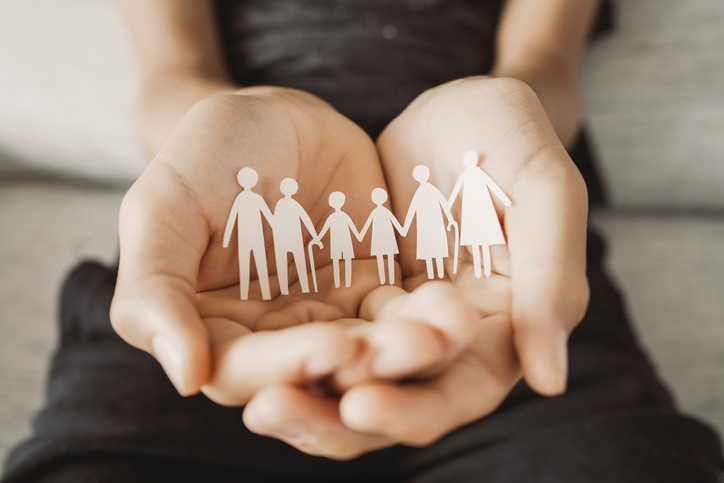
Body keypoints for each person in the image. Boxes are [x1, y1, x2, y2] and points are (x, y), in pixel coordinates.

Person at [3, 1, 723, 482]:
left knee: (623, 462)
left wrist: (512, 112)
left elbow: (544, 68)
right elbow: (173, 76)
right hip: (217, 271)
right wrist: (220, 131)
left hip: (498, 269)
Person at [447, 150, 512, 278]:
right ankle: (478, 269)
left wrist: (505, 199)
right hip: (470, 210)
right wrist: (447, 206)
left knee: (485, 240)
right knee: (475, 240)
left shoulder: (479, 173)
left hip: (483, 208)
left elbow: (492, 185)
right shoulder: (464, 175)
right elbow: (455, 191)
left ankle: (487, 269)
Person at [223, 167, 274, 300]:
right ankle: (247, 295)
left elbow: (268, 215)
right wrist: (226, 239)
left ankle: (262, 294)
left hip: (253, 237)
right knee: (249, 265)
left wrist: (226, 239)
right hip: (246, 237)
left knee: (254, 264)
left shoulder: (250, 198)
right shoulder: (249, 198)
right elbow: (232, 217)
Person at [403, 165, 458, 280]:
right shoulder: (419, 192)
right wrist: (405, 227)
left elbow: (443, 203)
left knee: (437, 248)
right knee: (428, 249)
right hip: (424, 224)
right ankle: (432, 275)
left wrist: (451, 219)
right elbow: (412, 209)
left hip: (435, 222)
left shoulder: (431, 189)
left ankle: (441, 273)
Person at [272, 178, 319, 295]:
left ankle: (302, 288)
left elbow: (305, 220)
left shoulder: (286, 204)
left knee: (295, 262)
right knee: (291, 263)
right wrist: (315, 236)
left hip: (291, 239)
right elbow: (275, 222)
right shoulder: (286, 204)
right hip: (286, 239)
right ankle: (288, 289)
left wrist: (315, 237)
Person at [314, 191, 363, 289]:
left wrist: (317, 238)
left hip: (341, 242)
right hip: (340, 242)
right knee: (343, 261)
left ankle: (341, 282)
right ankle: (345, 282)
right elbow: (325, 229)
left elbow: (324, 230)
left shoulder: (335, 217)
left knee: (340, 261)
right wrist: (317, 239)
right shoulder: (340, 216)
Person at [359, 188, 406, 285]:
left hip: (383, 236)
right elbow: (368, 224)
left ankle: (385, 279)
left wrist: (361, 235)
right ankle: (388, 279)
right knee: (388, 257)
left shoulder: (378, 212)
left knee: (382, 258)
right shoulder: (383, 211)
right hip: (384, 236)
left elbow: (368, 224)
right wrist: (402, 230)